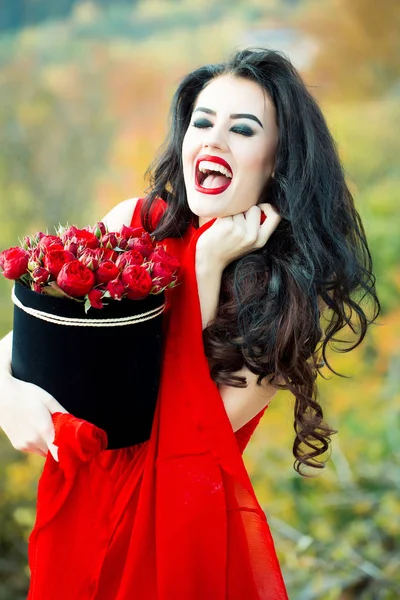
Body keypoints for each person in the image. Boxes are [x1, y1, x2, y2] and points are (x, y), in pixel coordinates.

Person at [0, 48, 379, 599]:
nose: (214, 140)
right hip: (76, 510)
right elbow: (32, 340)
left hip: (173, 546)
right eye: (202, 122)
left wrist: (203, 269)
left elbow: (177, 439)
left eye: (243, 130)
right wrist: (8, 395)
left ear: (277, 161)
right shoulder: (134, 224)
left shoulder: (285, 295)